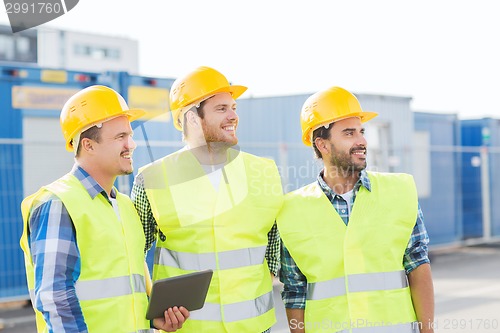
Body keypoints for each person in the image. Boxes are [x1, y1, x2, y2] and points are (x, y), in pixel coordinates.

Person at [20, 85, 189, 333]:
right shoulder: (58, 203)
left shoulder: (125, 206)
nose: (131, 144)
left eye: (130, 135)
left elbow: (126, 291)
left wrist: (153, 320)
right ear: (88, 145)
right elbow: (54, 297)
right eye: (120, 137)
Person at [132, 66, 283, 333]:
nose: (233, 116)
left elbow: (274, 251)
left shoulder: (263, 172)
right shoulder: (153, 179)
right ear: (192, 118)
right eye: (222, 108)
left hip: (255, 328)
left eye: (234, 107)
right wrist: (152, 311)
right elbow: (132, 256)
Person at [277, 86, 435, 333]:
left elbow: (418, 264)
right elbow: (294, 289)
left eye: (361, 131)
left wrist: (427, 330)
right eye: (349, 133)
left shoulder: (399, 191)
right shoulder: (291, 209)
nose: (361, 141)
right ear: (323, 144)